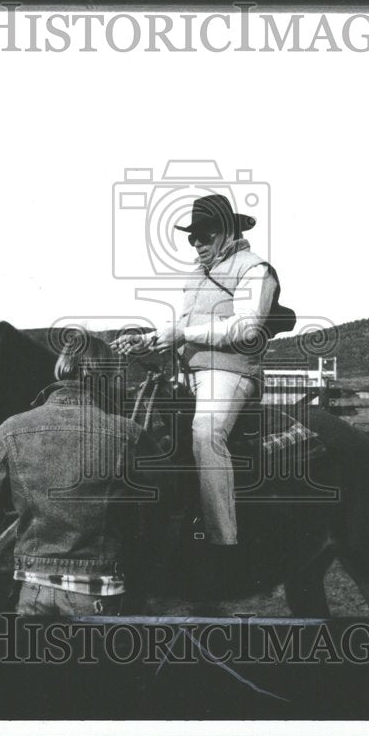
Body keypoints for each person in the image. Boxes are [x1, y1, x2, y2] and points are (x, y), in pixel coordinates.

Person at [110, 194, 289, 548]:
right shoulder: (197, 275)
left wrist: (183, 334)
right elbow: (183, 326)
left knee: (206, 433)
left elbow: (247, 327)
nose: (196, 243)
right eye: (192, 236)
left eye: (204, 235)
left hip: (232, 373)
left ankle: (224, 541)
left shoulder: (255, 268)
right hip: (188, 374)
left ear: (226, 232)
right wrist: (146, 341)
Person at [0, 332, 163, 617]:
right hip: (99, 593)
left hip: (32, 591)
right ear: (106, 376)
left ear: (60, 369)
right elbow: (160, 507)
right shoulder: (128, 435)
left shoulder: (11, 430)